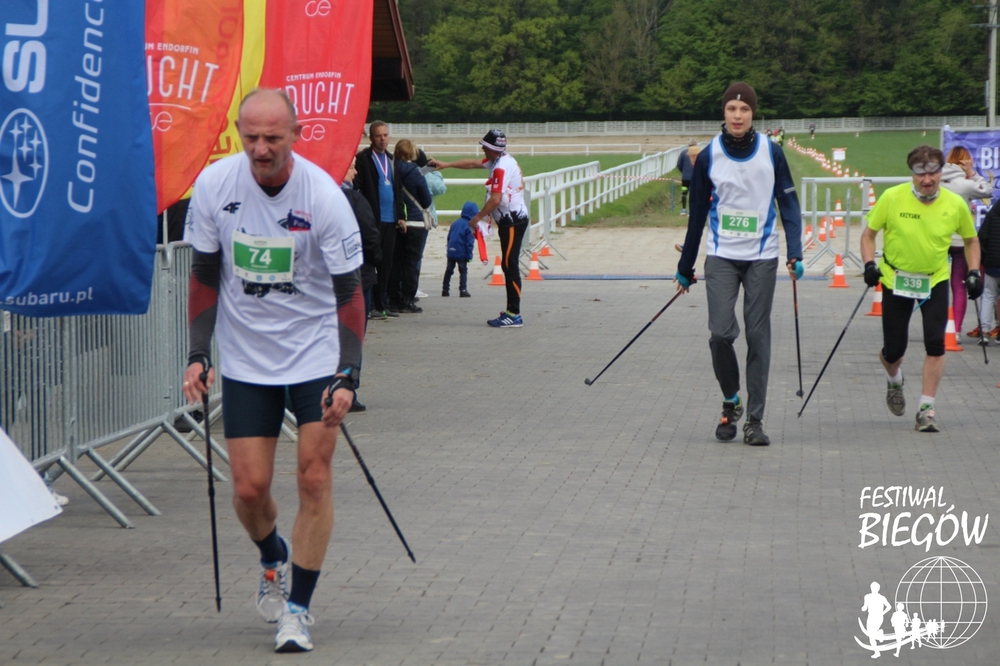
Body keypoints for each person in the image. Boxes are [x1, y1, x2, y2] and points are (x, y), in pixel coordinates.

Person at [181, 88, 366, 653]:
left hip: (314, 355)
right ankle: (272, 556)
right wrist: (198, 352)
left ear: (296, 135)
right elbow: (204, 275)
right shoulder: (215, 185)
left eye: (273, 138)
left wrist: (348, 373)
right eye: (251, 137)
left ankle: (297, 610)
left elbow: (351, 294)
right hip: (247, 357)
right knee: (249, 488)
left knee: (314, 478)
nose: (260, 149)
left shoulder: (323, 197)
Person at [675, 82, 804, 446]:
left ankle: (755, 420)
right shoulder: (709, 155)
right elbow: (697, 216)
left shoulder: (771, 152)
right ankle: (732, 400)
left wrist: (795, 251)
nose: (737, 115)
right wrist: (685, 266)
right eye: (732, 109)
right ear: (724, 113)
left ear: (752, 114)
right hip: (721, 255)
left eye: (744, 109)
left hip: (762, 256)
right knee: (720, 333)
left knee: (758, 336)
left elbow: (789, 204)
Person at [861, 145, 981, 433]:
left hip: (934, 280)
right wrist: (869, 265)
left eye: (932, 173)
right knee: (894, 351)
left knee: (936, 343)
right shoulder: (892, 197)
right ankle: (894, 380)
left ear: (941, 172)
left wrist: (974, 271)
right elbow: (868, 235)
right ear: (912, 174)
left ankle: (926, 409)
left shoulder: (954, 203)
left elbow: (971, 240)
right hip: (896, 279)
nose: (927, 180)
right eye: (920, 173)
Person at [430, 129, 529, 328]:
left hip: (512, 222)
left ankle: (514, 314)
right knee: (508, 264)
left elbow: (495, 200)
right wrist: (447, 164)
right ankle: (512, 311)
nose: (482, 149)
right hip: (510, 221)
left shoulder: (500, 168)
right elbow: (472, 163)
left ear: (492, 148)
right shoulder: (499, 160)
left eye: (484, 146)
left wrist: (476, 218)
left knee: (509, 265)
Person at [341, 157, 382, 412]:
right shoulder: (355, 200)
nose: (356, 172)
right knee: (352, 337)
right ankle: (347, 389)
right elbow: (371, 237)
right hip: (357, 278)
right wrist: (375, 261)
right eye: (351, 166)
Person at [355, 120, 405, 320]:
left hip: (391, 219)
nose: (383, 139)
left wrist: (401, 216)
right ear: (371, 137)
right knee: (371, 262)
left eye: (385, 135)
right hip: (372, 220)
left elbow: (398, 189)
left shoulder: (392, 159)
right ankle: (369, 305)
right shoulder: (363, 159)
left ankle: (381, 304)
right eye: (378, 136)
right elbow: (358, 189)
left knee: (386, 264)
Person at [939, 146, 991, 339]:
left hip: (939, 239)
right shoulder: (965, 184)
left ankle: (935, 326)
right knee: (959, 286)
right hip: (961, 241)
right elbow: (988, 191)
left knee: (936, 285)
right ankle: (956, 331)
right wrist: (973, 174)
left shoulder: (937, 181)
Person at [387, 139, 434, 314]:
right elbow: (426, 200)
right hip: (415, 221)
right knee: (411, 263)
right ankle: (407, 300)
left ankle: (393, 299)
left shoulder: (391, 170)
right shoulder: (414, 172)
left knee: (396, 262)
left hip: (396, 220)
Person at [974, 201, 1000, 342]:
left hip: (992, 262)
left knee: (989, 296)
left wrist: (984, 259)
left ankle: (984, 331)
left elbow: (982, 237)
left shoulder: (993, 212)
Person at [443, 202, 479, 297]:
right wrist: (469, 256)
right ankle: (463, 289)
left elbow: (449, 237)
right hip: (462, 252)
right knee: (463, 271)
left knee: (449, 270)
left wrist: (449, 248)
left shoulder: (455, 223)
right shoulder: (470, 225)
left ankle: (445, 289)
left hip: (451, 251)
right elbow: (469, 243)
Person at [861, 582, 891, 657]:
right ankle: (877, 652)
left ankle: (879, 633)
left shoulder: (881, 597)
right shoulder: (867, 596)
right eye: (873, 587)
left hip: (877, 616)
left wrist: (882, 613)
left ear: (878, 588)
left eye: (875, 587)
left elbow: (889, 606)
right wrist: (863, 608)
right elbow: (865, 607)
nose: (874, 589)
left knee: (871, 634)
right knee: (871, 635)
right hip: (871, 616)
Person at [675, 139, 699, 215]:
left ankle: (683, 209)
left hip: (685, 178)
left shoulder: (683, 152)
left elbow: (679, 164)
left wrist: (684, 172)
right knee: (693, 194)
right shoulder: (698, 153)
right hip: (695, 178)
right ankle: (691, 210)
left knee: (684, 192)